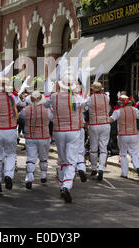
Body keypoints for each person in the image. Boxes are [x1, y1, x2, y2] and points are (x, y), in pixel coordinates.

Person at [43, 72, 84, 203]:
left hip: (59, 131)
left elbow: (44, 104)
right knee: (71, 161)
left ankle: (61, 185)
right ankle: (66, 185)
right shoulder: (77, 98)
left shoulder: (54, 97)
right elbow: (85, 105)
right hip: (73, 131)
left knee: (62, 160)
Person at [18, 91, 53, 190]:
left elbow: (20, 116)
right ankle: (43, 175)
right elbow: (53, 118)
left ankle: (29, 177)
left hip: (30, 137)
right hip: (44, 137)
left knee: (31, 158)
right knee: (43, 157)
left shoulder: (26, 110)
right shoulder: (47, 110)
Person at [109, 95, 139, 179]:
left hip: (123, 135)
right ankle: (138, 167)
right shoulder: (135, 110)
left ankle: (124, 173)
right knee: (134, 153)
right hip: (134, 134)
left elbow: (111, 120)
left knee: (123, 154)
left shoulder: (118, 111)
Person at [85, 82, 111, 181]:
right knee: (103, 148)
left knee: (94, 148)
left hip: (94, 124)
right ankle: (101, 168)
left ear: (93, 90)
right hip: (105, 123)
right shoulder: (106, 97)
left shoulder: (90, 98)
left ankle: (94, 168)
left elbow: (85, 108)